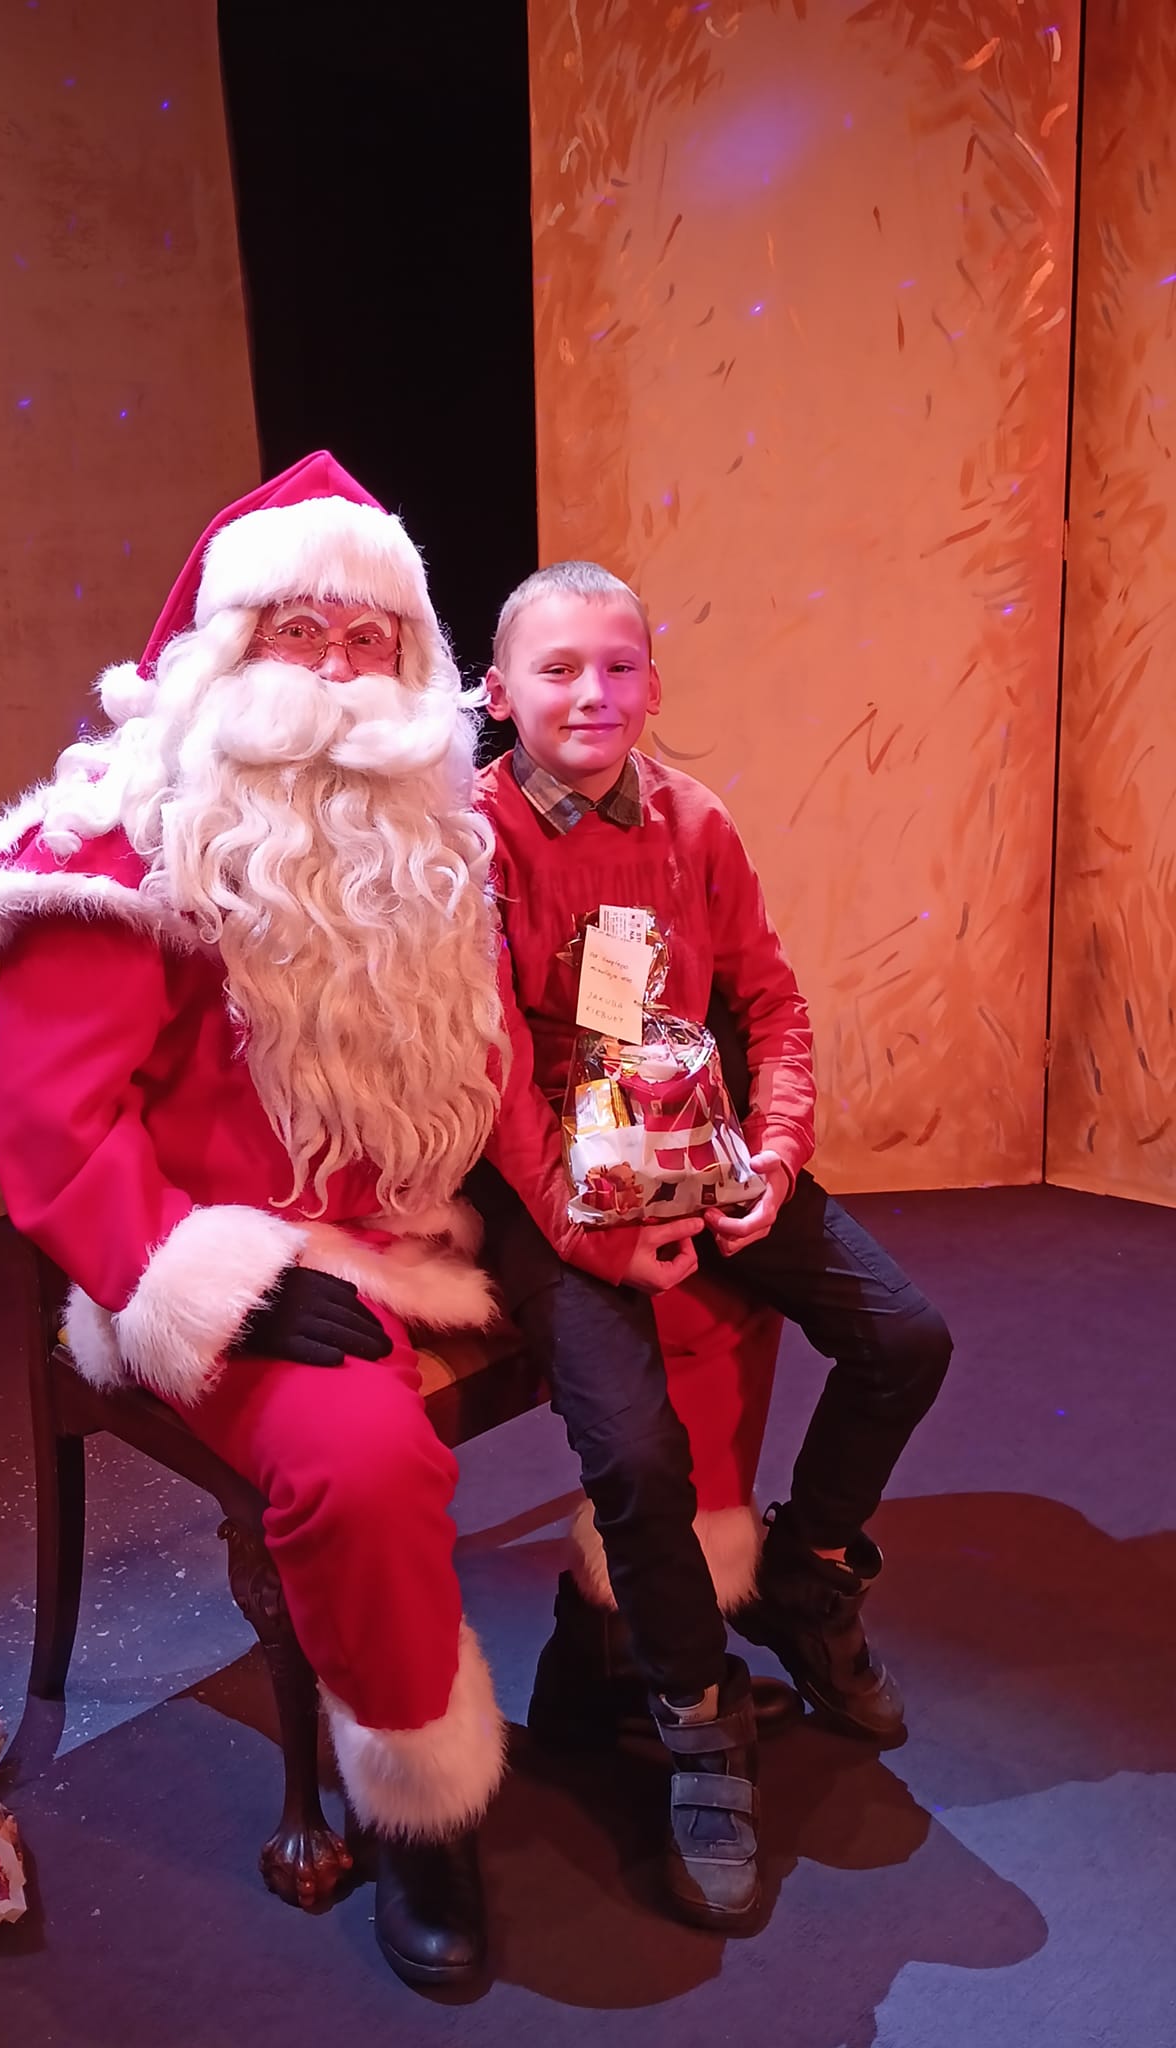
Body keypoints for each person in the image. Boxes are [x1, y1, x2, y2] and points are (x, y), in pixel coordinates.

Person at [0, 459, 688, 1989]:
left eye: (369, 639)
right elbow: (57, 1130)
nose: (339, 674)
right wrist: (211, 1277)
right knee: (361, 1461)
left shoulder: (435, 832)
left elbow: (497, 1052)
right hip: (216, 1246)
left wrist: (619, 1170)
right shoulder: (121, 846)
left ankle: (638, 1656)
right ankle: (417, 1804)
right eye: (300, 634)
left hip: (421, 1212)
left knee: (688, 1299)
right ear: (225, 649)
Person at [472, 559, 953, 1934]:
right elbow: (488, 1073)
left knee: (906, 1338)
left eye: (619, 666)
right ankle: (697, 1719)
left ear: (653, 683)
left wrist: (773, 1158)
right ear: (498, 692)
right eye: (558, 668)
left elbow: (773, 1007)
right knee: (636, 1454)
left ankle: (808, 1577)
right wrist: (595, 1241)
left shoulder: (695, 821)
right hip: (545, 1184)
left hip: (698, 1143)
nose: (593, 692)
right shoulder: (468, 843)